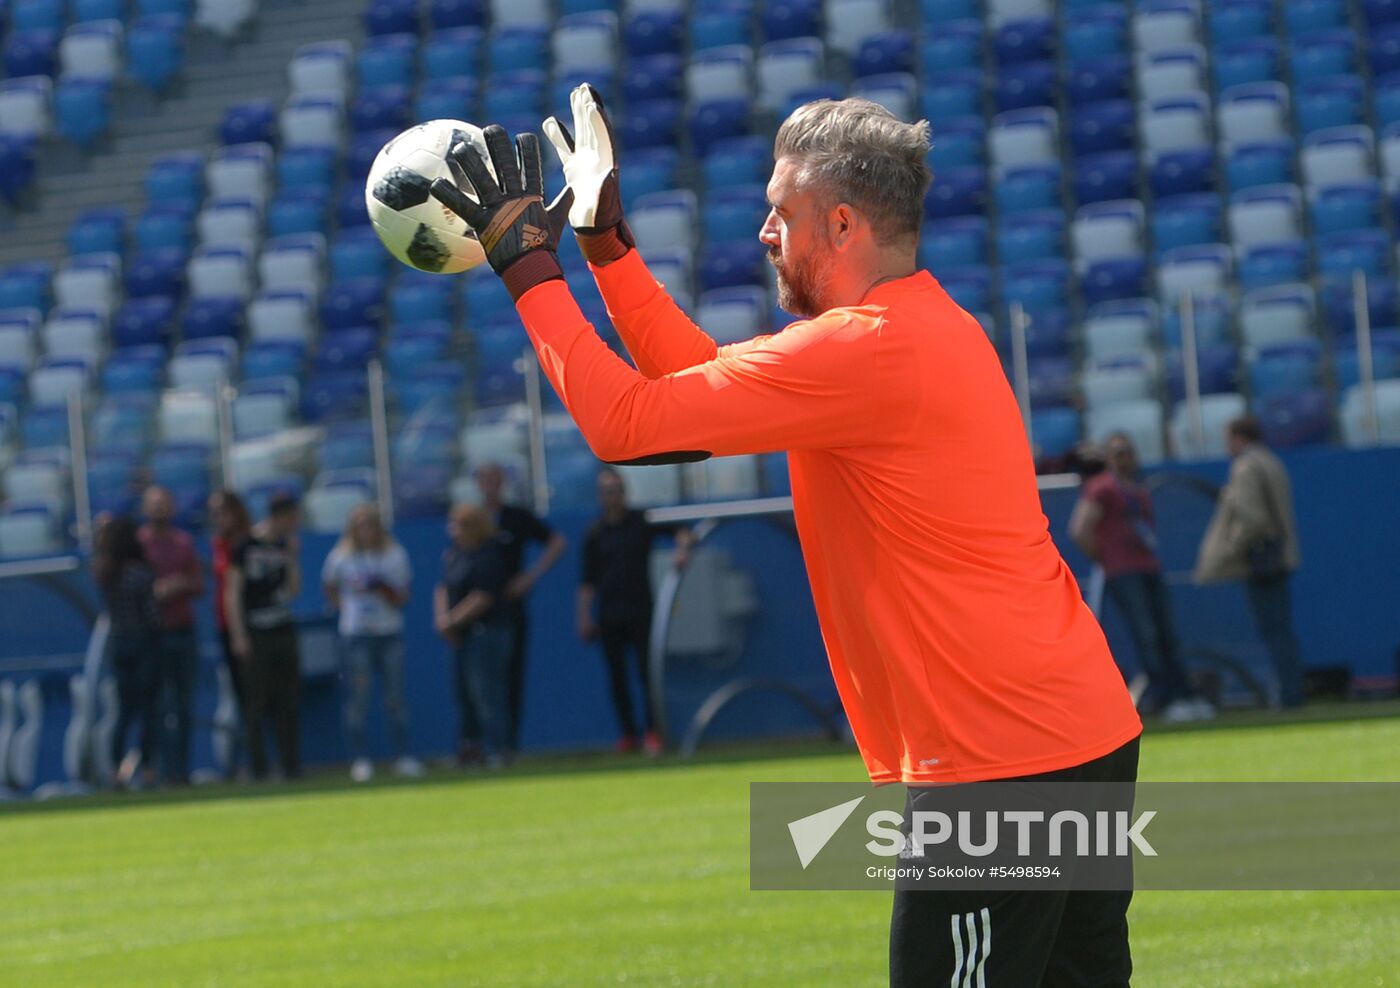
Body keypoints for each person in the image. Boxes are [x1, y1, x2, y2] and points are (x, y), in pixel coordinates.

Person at [430, 88, 1143, 986]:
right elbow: (702, 378)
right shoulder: (912, 330)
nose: (765, 231)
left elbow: (626, 427)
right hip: (1083, 730)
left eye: (782, 211)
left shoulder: (863, 350)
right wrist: (605, 245)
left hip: (998, 765)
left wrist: (523, 264)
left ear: (841, 224)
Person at [1070, 434, 1213, 722]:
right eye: (1118, 452)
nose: (1125, 458)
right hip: (1124, 571)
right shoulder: (1102, 488)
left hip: (1148, 566)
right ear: (1109, 459)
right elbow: (1080, 529)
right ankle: (1165, 697)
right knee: (1146, 634)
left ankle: (1184, 694)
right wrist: (1106, 558)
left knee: (1167, 633)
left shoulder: (1138, 491)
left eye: (1129, 452)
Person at [577, 467, 691, 755]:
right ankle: (628, 734)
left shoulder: (642, 521)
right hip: (609, 615)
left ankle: (654, 732)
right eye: (607, 491)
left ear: (624, 492)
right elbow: (587, 582)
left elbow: (682, 531)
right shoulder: (595, 533)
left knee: (647, 674)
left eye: (616, 490)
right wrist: (583, 616)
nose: (612, 496)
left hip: (641, 610)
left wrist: (682, 550)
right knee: (617, 678)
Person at [1195, 415, 1305, 708]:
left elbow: (1252, 518)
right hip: (1280, 555)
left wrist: (1230, 548)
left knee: (1273, 631)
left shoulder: (1245, 467)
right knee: (1282, 629)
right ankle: (1292, 691)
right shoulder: (1272, 461)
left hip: (1261, 560)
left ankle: (1288, 696)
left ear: (1239, 438)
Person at [322, 503, 419, 783]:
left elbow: (403, 597)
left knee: (396, 698)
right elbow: (329, 587)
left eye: (370, 525)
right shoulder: (340, 557)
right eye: (360, 525)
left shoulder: (394, 555)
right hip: (356, 635)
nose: (366, 531)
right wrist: (347, 610)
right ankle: (360, 760)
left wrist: (384, 588)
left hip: (388, 632)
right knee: (358, 700)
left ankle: (403, 757)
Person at [473, 462, 566, 752]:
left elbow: (557, 542)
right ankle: (477, 745)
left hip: (508, 609)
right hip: (474, 611)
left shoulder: (516, 517)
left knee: (509, 678)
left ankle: (507, 746)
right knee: (475, 685)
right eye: (485, 480)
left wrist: (531, 576)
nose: (490, 486)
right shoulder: (472, 518)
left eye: (495, 480)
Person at [225, 492, 303, 780]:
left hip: (282, 626)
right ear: (280, 516)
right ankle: (258, 767)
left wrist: (293, 558)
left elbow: (294, 591)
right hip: (256, 629)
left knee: (289, 699)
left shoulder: (284, 546)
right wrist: (238, 634)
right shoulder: (246, 546)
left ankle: (290, 764)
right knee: (256, 702)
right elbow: (232, 592)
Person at [434, 504, 514, 768]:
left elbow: (483, 596)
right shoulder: (456, 554)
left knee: (487, 695)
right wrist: (445, 622)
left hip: (487, 633)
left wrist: (451, 621)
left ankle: (498, 750)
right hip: (463, 636)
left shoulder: (489, 555)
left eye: (457, 525)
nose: (452, 531)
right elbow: (443, 587)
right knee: (465, 696)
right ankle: (470, 750)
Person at [138, 485, 205, 785]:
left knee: (183, 704)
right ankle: (159, 769)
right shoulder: (139, 545)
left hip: (183, 631)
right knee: (158, 706)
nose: (159, 509)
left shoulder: (183, 542)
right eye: (154, 504)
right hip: (152, 635)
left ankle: (181, 771)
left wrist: (176, 586)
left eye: (164, 503)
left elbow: (198, 584)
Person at [93, 515, 161, 789]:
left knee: (123, 712)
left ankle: (115, 771)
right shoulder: (139, 575)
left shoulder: (107, 574)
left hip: (119, 644)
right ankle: (147, 770)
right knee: (148, 711)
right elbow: (153, 615)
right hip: (143, 643)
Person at [208, 489, 253, 779]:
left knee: (255, 697)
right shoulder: (219, 545)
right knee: (237, 697)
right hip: (227, 627)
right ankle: (239, 763)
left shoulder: (250, 543)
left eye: (223, 511)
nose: (218, 518)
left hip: (253, 627)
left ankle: (256, 761)